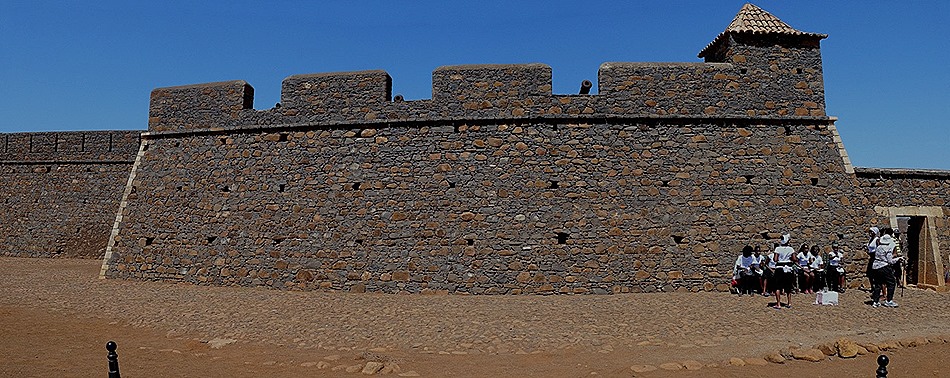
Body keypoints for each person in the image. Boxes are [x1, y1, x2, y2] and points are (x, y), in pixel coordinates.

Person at [870, 228, 902, 307]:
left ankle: (875, 301)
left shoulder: (878, 247)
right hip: (884, 266)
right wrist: (898, 259)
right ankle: (889, 300)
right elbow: (890, 261)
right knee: (891, 282)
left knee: (878, 284)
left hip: (875, 266)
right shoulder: (888, 248)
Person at [772, 234, 797, 309]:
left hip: (779, 268)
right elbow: (794, 259)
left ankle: (778, 303)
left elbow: (775, 259)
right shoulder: (791, 249)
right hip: (788, 268)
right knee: (788, 286)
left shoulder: (778, 249)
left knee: (777, 286)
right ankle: (789, 303)